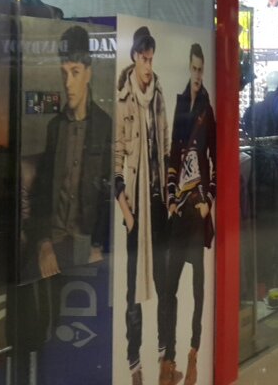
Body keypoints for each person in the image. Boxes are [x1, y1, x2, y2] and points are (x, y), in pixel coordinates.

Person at [114, 26, 174, 385]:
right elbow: (116, 159)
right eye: (145, 58)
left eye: (152, 59)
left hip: (157, 200)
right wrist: (128, 214)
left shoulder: (159, 92)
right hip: (136, 205)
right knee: (132, 288)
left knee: (164, 281)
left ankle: (165, 356)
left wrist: (168, 196)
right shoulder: (124, 97)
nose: (149, 66)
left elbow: (165, 145)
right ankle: (134, 363)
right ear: (135, 56)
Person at [32, 25, 112, 279]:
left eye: (75, 72)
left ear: (88, 73)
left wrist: (99, 245)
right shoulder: (55, 127)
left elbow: (109, 193)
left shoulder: (105, 126)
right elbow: (41, 190)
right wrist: (44, 243)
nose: (68, 83)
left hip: (87, 242)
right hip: (55, 241)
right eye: (64, 73)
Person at [161, 44, 215, 385]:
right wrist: (170, 197)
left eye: (200, 69)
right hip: (179, 209)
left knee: (197, 286)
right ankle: (169, 359)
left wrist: (209, 199)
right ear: (189, 68)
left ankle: (193, 353)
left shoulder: (208, 108)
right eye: (193, 69)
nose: (197, 75)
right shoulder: (182, 103)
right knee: (169, 287)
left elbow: (215, 156)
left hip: (198, 206)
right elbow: (172, 153)